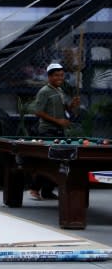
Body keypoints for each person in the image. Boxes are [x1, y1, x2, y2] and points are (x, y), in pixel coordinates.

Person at [29, 62, 81, 200]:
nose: (60, 78)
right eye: (57, 75)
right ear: (49, 77)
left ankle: (47, 191)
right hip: (47, 131)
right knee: (49, 162)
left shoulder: (60, 91)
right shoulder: (44, 91)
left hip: (59, 131)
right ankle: (34, 189)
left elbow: (65, 110)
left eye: (62, 75)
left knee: (58, 162)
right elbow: (38, 111)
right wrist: (58, 121)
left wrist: (71, 105)